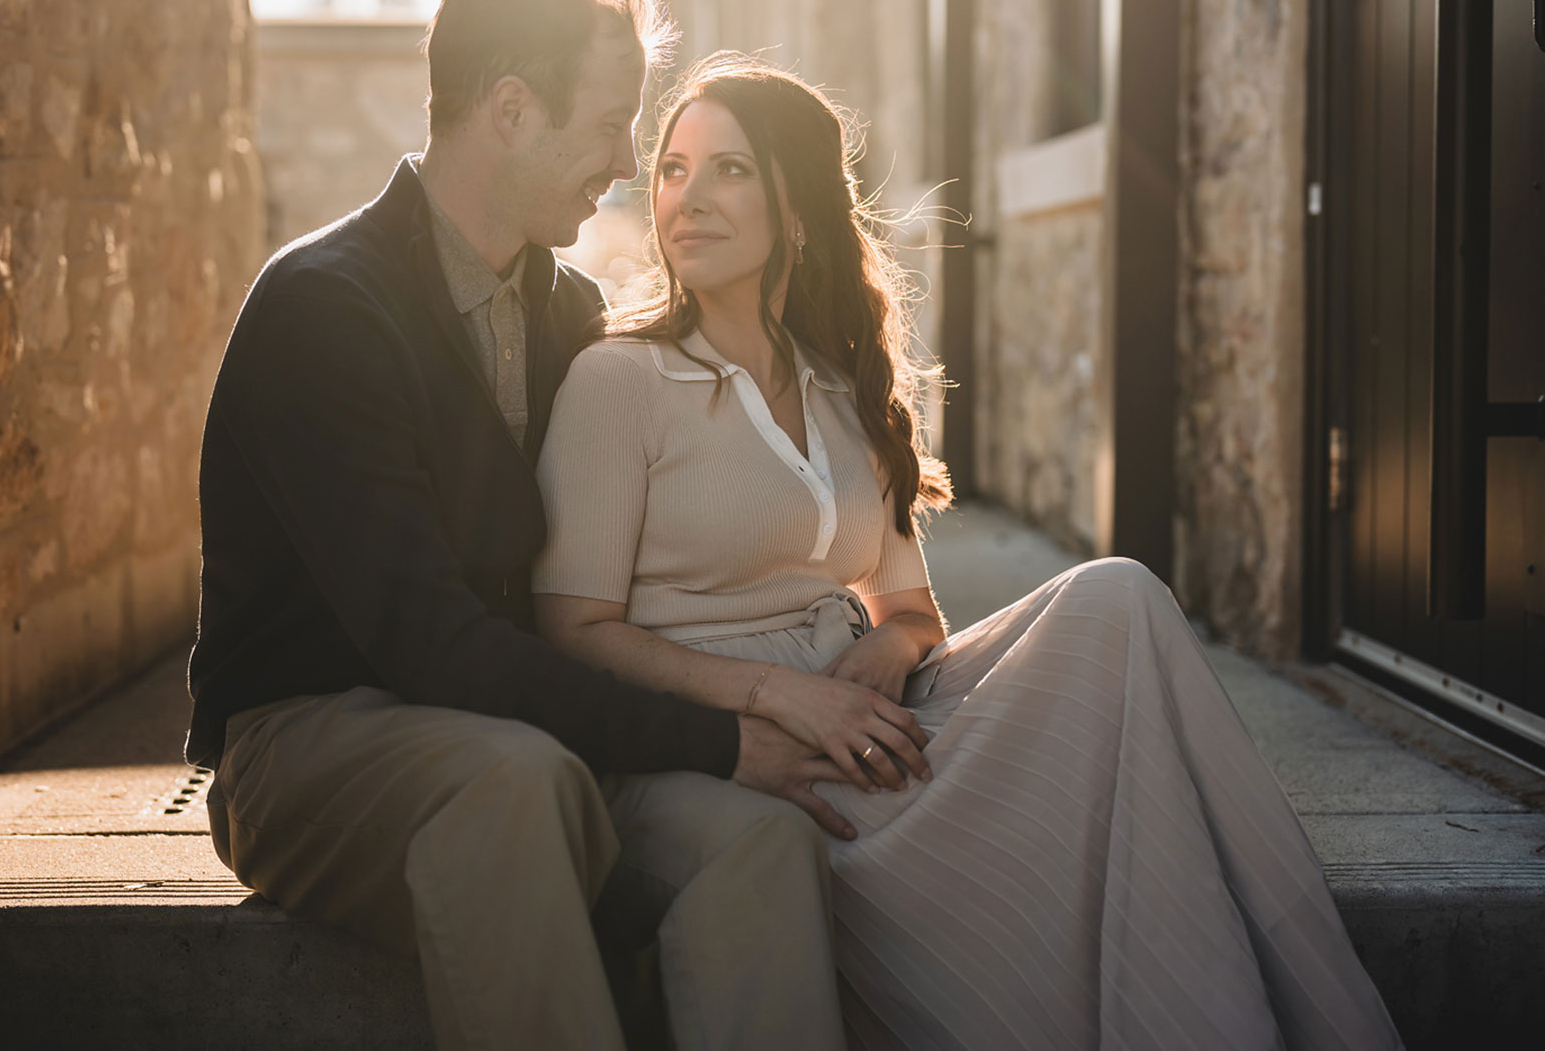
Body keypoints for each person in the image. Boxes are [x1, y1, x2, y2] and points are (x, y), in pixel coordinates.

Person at [533, 51, 1405, 1050]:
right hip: (726, 746)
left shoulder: (843, 387)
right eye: (676, 168)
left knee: (1115, 600)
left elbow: (911, 606)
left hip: (870, 718)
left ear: (801, 204)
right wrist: (775, 695)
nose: (689, 196)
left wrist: (885, 650)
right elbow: (573, 627)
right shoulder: (619, 379)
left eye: (730, 169)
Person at [187, 0, 872, 1050]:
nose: (623, 163)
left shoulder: (569, 312)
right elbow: (427, 645)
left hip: (533, 728)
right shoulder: (324, 308)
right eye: (609, 124)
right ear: (510, 110)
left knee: (759, 841)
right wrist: (713, 734)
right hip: (312, 741)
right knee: (517, 785)